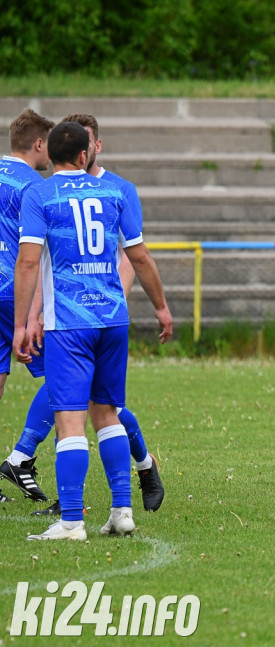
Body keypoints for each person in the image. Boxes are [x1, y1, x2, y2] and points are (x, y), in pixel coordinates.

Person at [14, 121, 173, 541]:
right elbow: (139, 257)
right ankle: (122, 511)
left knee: (70, 421)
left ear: (49, 153)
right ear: (87, 154)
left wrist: (21, 324)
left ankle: (70, 521)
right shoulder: (115, 192)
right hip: (112, 321)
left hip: (69, 324)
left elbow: (29, 263)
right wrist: (160, 307)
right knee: (107, 415)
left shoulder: (40, 193)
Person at [0, 109, 55, 504]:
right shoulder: (35, 187)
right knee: (69, 376)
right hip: (13, 292)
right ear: (39, 144)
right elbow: (33, 256)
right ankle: (21, 457)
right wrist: (31, 315)